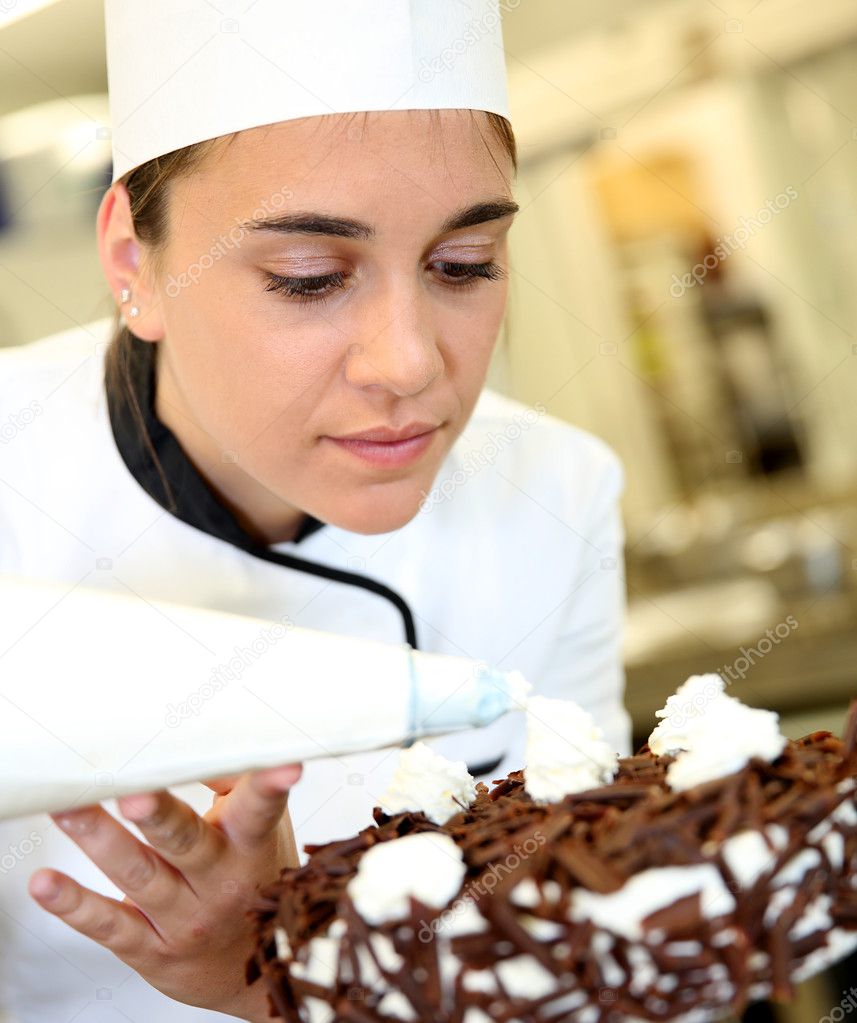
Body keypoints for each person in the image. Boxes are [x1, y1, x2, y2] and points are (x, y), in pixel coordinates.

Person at [0, 2, 631, 1020]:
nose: (410, 363)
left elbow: (573, 958)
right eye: (310, 280)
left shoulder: (553, 495)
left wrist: (283, 987)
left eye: (463, 265)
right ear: (134, 266)